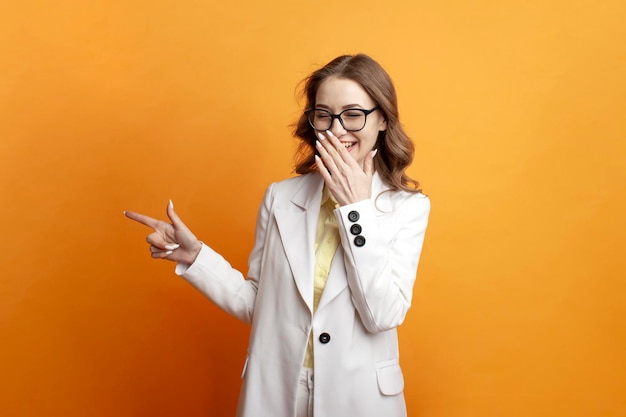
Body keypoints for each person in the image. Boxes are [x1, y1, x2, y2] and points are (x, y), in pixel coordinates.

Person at [125, 53, 430, 417]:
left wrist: (355, 209)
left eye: (353, 114)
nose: (336, 129)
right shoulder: (280, 197)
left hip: (359, 398)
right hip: (276, 391)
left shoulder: (407, 208)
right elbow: (260, 303)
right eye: (323, 114)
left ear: (381, 118)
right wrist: (196, 259)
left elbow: (383, 314)